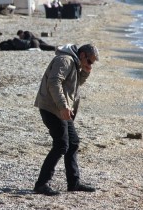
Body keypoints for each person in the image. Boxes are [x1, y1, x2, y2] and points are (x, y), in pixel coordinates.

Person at [33, 44, 99, 196]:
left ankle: (73, 183)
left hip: (62, 109)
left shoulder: (75, 62)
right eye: (89, 61)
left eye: (92, 63)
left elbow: (73, 85)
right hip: (52, 107)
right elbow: (54, 82)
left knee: (73, 142)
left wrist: (85, 72)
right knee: (61, 144)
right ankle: (41, 184)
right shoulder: (65, 60)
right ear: (82, 54)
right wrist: (63, 106)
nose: (90, 64)